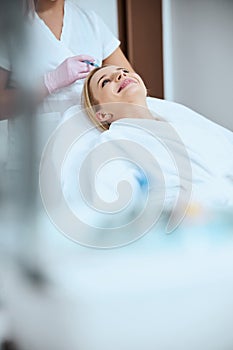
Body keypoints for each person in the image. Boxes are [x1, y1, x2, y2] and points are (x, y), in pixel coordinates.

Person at [0, 0, 133, 169]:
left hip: (89, 162)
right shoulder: (11, 27)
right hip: (33, 167)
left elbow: (132, 88)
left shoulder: (91, 22)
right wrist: (49, 82)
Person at [82, 65, 233, 208]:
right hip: (184, 218)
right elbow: (109, 202)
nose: (121, 75)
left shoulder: (183, 124)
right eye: (105, 81)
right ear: (102, 114)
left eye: (124, 71)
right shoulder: (112, 141)